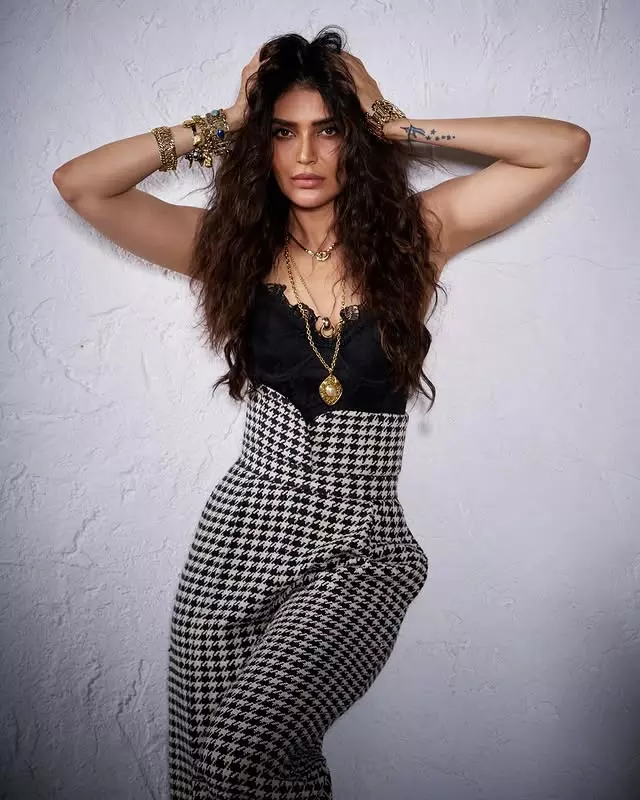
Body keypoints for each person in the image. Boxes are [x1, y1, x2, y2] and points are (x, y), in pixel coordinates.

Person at [52, 24, 590, 800]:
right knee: (204, 779)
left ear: (354, 138)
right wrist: (225, 121)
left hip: (360, 545)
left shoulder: (416, 237)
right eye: (283, 132)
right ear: (262, 146)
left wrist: (396, 123)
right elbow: (81, 184)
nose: (305, 154)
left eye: (328, 130)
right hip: (238, 541)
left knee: (241, 759)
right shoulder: (229, 248)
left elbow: (562, 147)